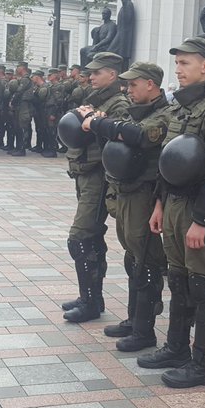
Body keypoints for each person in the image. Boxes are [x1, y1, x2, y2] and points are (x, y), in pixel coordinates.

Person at [137, 37, 205, 388]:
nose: (178, 70)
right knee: (178, 280)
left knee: (204, 286)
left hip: (199, 209)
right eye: (177, 64)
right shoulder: (182, 109)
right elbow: (170, 164)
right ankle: (176, 348)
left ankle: (202, 365)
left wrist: (201, 220)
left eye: (185, 63)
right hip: (174, 206)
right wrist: (159, 205)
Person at [83, 61, 170, 350]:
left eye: (133, 84)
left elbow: (141, 136)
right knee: (133, 257)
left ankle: (145, 331)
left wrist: (97, 122)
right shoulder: (139, 111)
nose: (128, 89)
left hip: (147, 192)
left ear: (150, 84)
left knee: (145, 258)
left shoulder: (163, 114)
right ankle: (134, 320)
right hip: (128, 191)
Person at [60, 53, 129, 323]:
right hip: (85, 174)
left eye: (97, 72)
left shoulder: (118, 104)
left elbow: (118, 143)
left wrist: (96, 123)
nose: (91, 77)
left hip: (100, 178)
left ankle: (90, 302)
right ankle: (91, 297)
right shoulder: (97, 100)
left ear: (112, 74)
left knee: (79, 237)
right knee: (91, 237)